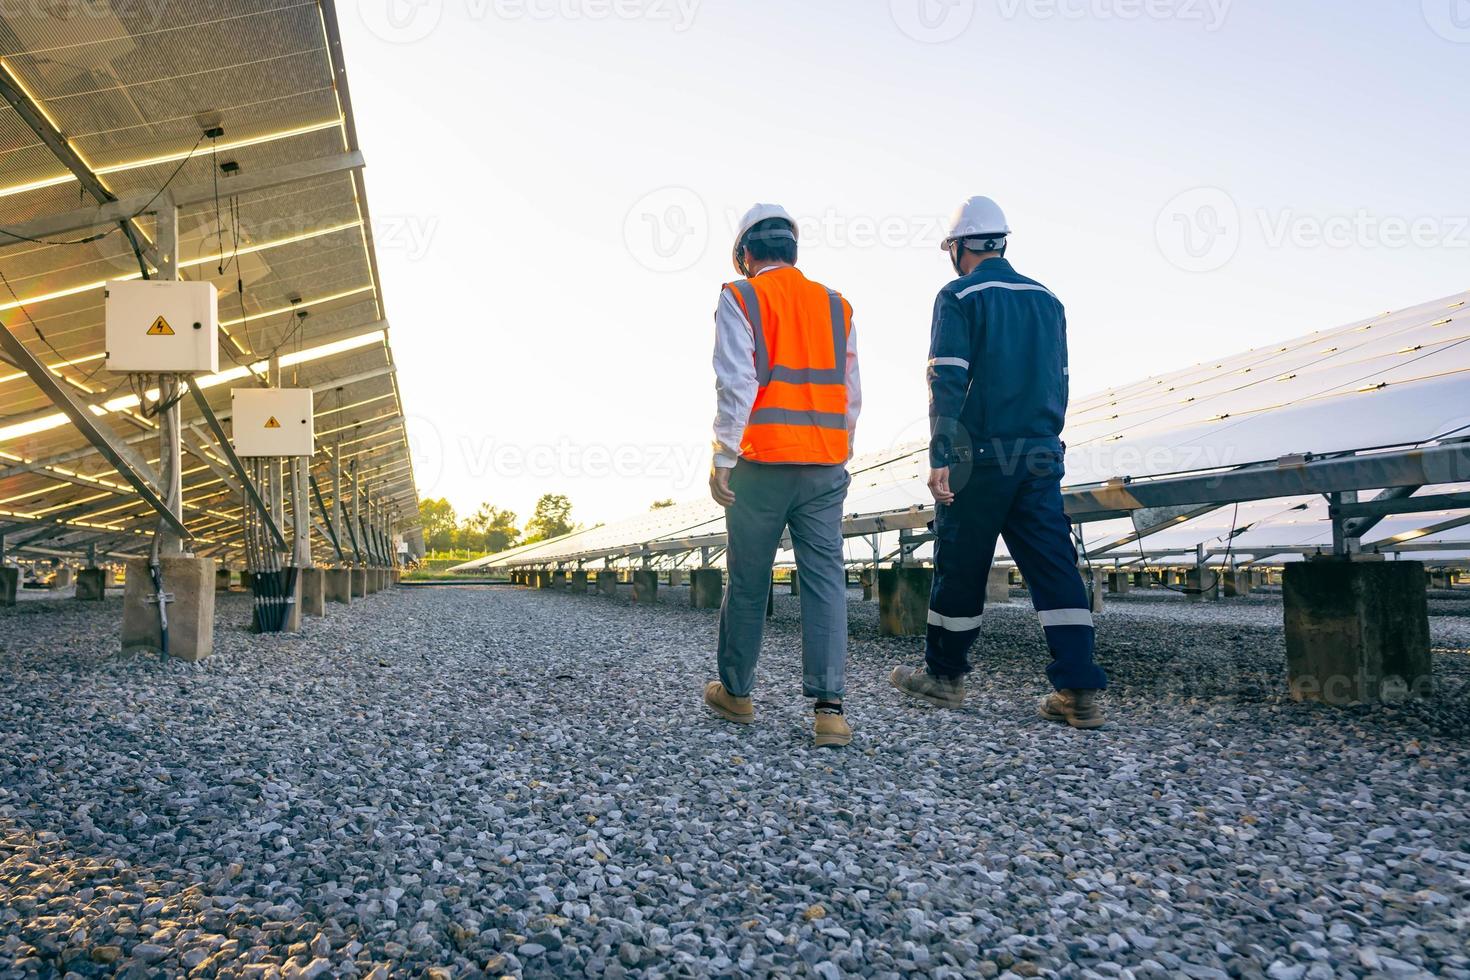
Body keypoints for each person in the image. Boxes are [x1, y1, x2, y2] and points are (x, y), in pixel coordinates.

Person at [889, 196, 1109, 729]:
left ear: (960, 247)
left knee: (961, 566)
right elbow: (1060, 378)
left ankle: (944, 678)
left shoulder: (959, 294)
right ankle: (1079, 691)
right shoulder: (1048, 299)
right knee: (1054, 568)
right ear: (1002, 242)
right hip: (1038, 455)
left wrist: (942, 453)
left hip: (979, 456)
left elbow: (947, 375)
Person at [704, 203, 861, 748]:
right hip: (824, 466)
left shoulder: (740, 295)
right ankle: (829, 711)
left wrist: (723, 455)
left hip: (760, 464)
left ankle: (737, 694)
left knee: (749, 579)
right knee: (825, 583)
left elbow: (736, 381)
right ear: (793, 250)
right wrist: (839, 454)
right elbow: (851, 394)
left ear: (745, 254)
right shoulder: (835, 305)